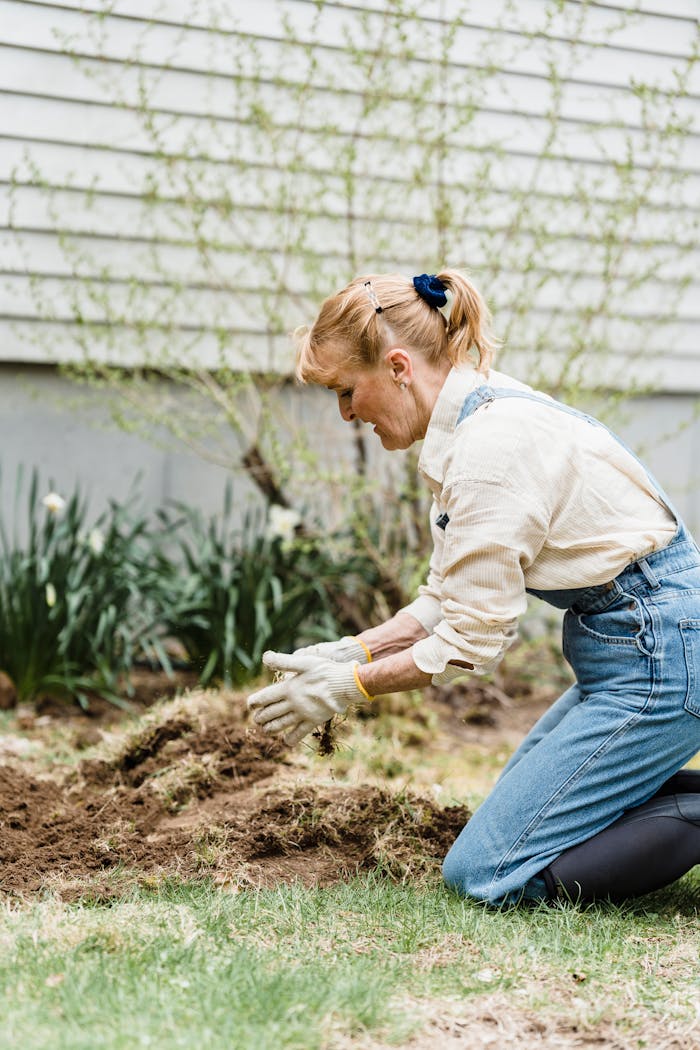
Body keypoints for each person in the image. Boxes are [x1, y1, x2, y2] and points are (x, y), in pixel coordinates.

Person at [248, 269, 700, 905]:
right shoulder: (470, 419)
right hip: (638, 645)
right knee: (530, 819)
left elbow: (473, 638)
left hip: (663, 659)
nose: (347, 413)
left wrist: (350, 689)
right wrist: (355, 651)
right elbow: (447, 597)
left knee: (488, 872)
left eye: (347, 390)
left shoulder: (490, 449)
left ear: (399, 367)